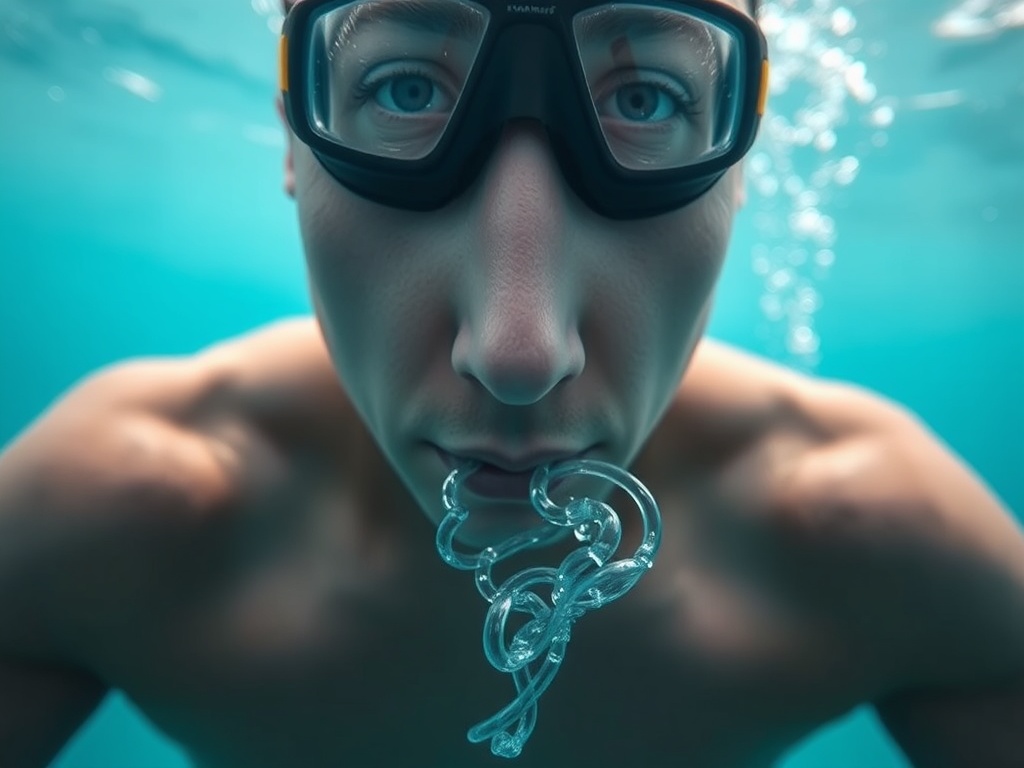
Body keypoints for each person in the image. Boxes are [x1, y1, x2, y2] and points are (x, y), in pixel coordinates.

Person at [1, 0, 1022, 765]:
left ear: (744, 159)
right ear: (290, 131)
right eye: (406, 87)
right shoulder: (105, 520)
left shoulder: (879, 543)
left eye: (644, 99)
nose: (519, 354)